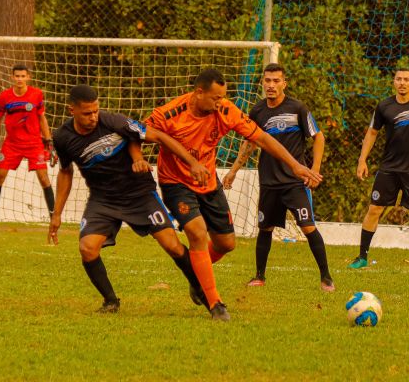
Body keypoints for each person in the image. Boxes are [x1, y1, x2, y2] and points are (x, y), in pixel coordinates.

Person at [145, 68, 323, 319]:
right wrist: (135, 161)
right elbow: (139, 134)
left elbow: (262, 138)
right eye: (216, 98)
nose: (221, 103)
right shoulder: (171, 113)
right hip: (176, 182)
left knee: (226, 244)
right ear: (198, 93)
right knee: (196, 232)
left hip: (208, 181)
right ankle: (215, 303)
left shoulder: (226, 111)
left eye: (223, 97)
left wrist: (295, 165)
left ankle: (196, 275)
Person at [47, 85, 227, 319]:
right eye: (87, 113)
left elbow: (160, 136)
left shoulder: (113, 122)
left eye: (96, 111)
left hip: (139, 194)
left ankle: (204, 292)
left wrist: (192, 163)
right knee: (87, 248)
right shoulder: (62, 138)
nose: (93, 117)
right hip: (104, 200)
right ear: (72, 110)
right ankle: (111, 301)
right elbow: (65, 172)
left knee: (172, 246)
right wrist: (57, 213)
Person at [222, 63, 334, 291]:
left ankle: (326, 278)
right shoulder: (258, 112)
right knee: (265, 229)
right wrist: (233, 171)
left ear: (284, 83)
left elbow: (318, 137)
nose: (271, 85)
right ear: (263, 83)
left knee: (308, 227)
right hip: (269, 182)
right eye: (267, 81)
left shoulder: (298, 108)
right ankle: (259, 276)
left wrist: (315, 169)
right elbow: (249, 143)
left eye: (276, 81)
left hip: (295, 183)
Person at [348, 68, 409, 273]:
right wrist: (362, 160)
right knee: (374, 209)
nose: (402, 82)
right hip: (388, 169)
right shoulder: (384, 106)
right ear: (394, 82)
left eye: (406, 79)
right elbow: (372, 133)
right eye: (399, 79)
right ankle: (362, 257)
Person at [0, 64, 57, 240]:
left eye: (23, 76)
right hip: (12, 144)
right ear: (12, 77)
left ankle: (54, 219)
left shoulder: (37, 94)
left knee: (44, 178)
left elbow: (42, 118)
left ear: (28, 77)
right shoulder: (5, 96)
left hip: (34, 143)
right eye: (17, 76)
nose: (20, 79)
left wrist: (49, 140)